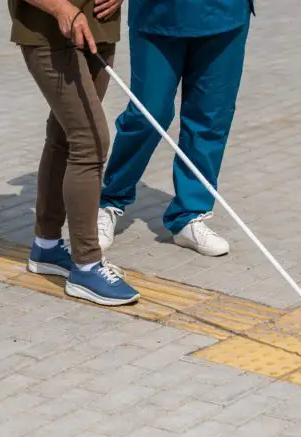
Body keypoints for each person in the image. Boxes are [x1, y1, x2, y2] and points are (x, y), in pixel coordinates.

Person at [97, 0, 254, 257]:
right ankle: (110, 200)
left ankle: (189, 215)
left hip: (226, 14)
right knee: (148, 114)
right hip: (158, 14)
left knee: (210, 118)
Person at [8, 0, 139, 305]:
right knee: (90, 141)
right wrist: (59, 8)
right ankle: (86, 266)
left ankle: (46, 245)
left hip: (100, 26)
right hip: (52, 29)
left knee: (64, 137)